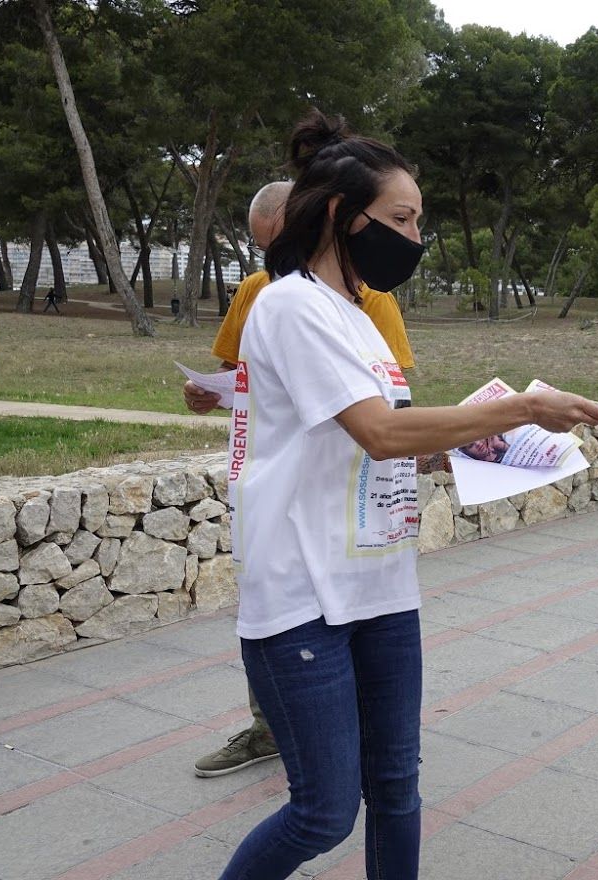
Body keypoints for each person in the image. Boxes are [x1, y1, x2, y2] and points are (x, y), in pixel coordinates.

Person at [219, 110, 598, 880]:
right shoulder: (289, 303)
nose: (413, 236)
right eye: (401, 218)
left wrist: (511, 446)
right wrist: (525, 408)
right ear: (341, 213)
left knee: (397, 787)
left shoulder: (360, 316)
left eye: (418, 220)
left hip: (380, 585)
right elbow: (377, 431)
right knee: (324, 811)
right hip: (304, 593)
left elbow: (391, 441)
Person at [182, 180, 420, 779]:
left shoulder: (373, 303)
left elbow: (394, 404)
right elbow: (237, 372)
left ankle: (334, 730)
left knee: (380, 772)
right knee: (281, 617)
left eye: (281, 241)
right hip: (279, 496)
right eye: (263, 247)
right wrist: (209, 393)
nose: (273, 259)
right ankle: (273, 726)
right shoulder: (265, 295)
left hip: (356, 517)